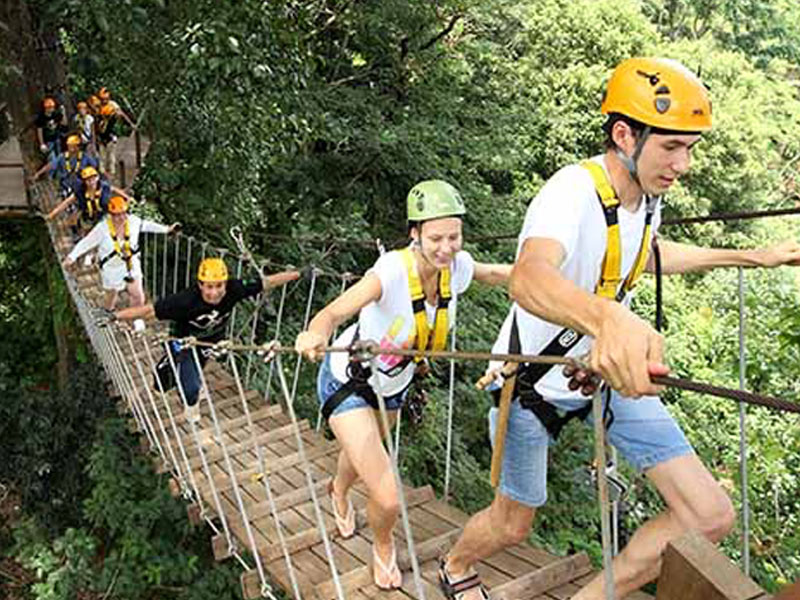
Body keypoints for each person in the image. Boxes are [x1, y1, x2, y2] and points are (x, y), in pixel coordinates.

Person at [437, 57, 800, 600]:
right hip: (531, 383)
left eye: (690, 148)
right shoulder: (570, 193)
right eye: (671, 147)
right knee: (513, 524)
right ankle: (456, 565)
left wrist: (754, 255)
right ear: (624, 134)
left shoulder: (646, 200)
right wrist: (611, 318)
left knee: (709, 515)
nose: (684, 164)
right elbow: (530, 277)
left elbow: (646, 255)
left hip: (602, 373)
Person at [295, 180, 511, 590]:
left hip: (393, 386)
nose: (446, 247)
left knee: (363, 457)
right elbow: (335, 311)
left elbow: (498, 273)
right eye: (435, 238)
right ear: (415, 234)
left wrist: (552, 276)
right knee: (388, 495)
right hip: (348, 380)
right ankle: (382, 544)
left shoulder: (457, 268)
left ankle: (338, 490)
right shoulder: (391, 271)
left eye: (454, 236)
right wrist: (314, 333)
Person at [114, 258, 300, 422]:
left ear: (225, 284)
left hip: (211, 341)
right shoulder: (184, 300)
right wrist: (115, 316)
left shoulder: (234, 289)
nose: (215, 292)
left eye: (219, 286)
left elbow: (268, 282)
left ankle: (191, 408)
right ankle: (166, 375)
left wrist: (297, 274)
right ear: (200, 285)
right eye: (209, 286)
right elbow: (148, 311)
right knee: (162, 383)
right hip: (183, 342)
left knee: (192, 385)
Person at [63, 195, 177, 310]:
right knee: (111, 295)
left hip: (131, 263)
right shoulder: (102, 229)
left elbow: (148, 226)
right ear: (110, 215)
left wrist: (167, 229)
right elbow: (86, 242)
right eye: (117, 215)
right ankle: (107, 313)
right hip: (111, 266)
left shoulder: (133, 221)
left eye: (123, 213)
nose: (121, 218)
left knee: (137, 295)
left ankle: (135, 320)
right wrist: (72, 257)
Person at [45, 165, 130, 232]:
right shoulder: (80, 192)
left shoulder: (104, 187)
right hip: (87, 220)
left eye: (93, 179)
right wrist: (52, 214)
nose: (92, 182)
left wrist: (128, 198)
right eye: (88, 180)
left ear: (97, 178)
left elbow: (116, 191)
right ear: (84, 181)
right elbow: (66, 203)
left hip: (104, 218)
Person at [30, 134, 98, 199]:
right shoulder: (62, 157)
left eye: (73, 146)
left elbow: (95, 168)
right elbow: (50, 165)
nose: (71, 148)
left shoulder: (85, 157)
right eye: (70, 146)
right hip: (65, 184)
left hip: (80, 185)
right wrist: (38, 174)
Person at [96, 87, 135, 179]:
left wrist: (130, 124)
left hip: (111, 132)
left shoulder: (113, 105)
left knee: (111, 154)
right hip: (101, 133)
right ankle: (102, 172)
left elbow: (121, 114)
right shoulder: (98, 106)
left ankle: (111, 173)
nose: (104, 101)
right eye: (102, 99)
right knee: (102, 155)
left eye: (106, 99)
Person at [34, 97, 67, 163]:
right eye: (50, 108)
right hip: (48, 141)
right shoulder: (41, 118)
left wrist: (63, 113)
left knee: (59, 156)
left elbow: (64, 123)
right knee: (52, 158)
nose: (52, 109)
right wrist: (42, 144)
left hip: (57, 139)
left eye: (53, 107)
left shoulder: (56, 115)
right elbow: (39, 131)